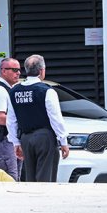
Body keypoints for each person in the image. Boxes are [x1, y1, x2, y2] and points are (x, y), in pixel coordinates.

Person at [6, 54, 70, 182]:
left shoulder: (14, 91)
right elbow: (55, 118)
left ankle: (32, 200)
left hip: (25, 138)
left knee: (30, 177)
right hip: (44, 137)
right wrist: (63, 141)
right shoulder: (46, 91)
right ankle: (44, 200)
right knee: (46, 177)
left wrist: (16, 142)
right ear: (42, 71)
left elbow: (11, 120)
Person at [0, 57, 23, 181]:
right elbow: (0, 118)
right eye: (14, 70)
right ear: (3, 71)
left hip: (13, 138)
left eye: (19, 69)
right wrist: (23, 121)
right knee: (9, 177)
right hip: (5, 139)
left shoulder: (10, 89)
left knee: (16, 177)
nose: (18, 73)